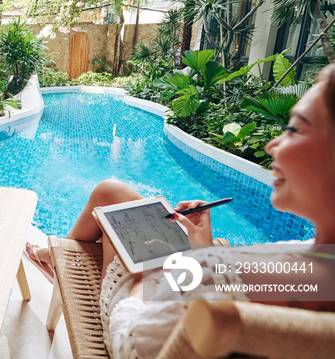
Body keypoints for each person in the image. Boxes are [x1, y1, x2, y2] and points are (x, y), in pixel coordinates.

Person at [26, 63, 335, 358]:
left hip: (137, 310)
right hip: (180, 286)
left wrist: (145, 276)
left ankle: (56, 255)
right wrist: (200, 248)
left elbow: (130, 343)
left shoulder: (258, 278)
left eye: (294, 129)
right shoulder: (315, 265)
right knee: (115, 193)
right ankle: (55, 255)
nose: (272, 146)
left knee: (113, 208)